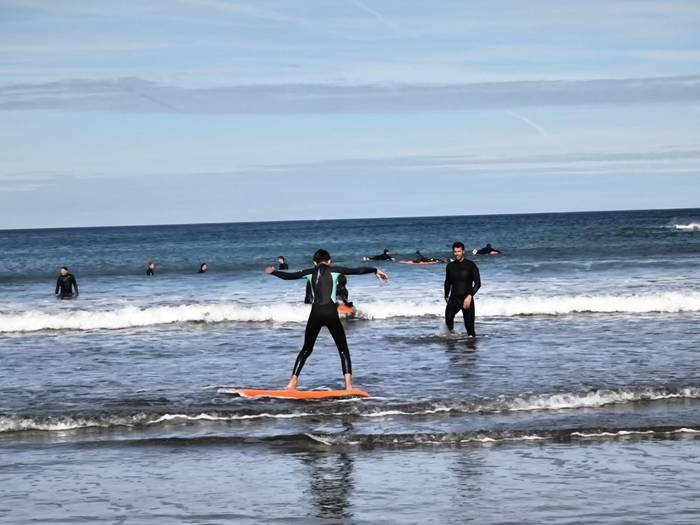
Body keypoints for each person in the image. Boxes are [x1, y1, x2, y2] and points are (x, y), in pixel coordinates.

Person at [265, 249, 388, 390]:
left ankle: (292, 383)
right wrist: (375, 270)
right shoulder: (335, 270)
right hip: (331, 315)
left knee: (306, 349)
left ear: (314, 262)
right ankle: (348, 387)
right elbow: (357, 270)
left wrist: (273, 272)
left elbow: (289, 276)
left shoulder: (309, 272)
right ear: (329, 261)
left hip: (315, 315)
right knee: (343, 350)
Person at [444, 242, 481, 336]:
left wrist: (469, 296)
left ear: (463, 251)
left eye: (459, 251)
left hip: (466, 299)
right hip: (454, 298)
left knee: (470, 330)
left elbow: (478, 283)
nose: (456, 254)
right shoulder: (450, 266)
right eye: (455, 251)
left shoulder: (471, 265)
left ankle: (471, 348)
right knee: (448, 318)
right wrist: (446, 295)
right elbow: (447, 282)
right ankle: (452, 336)